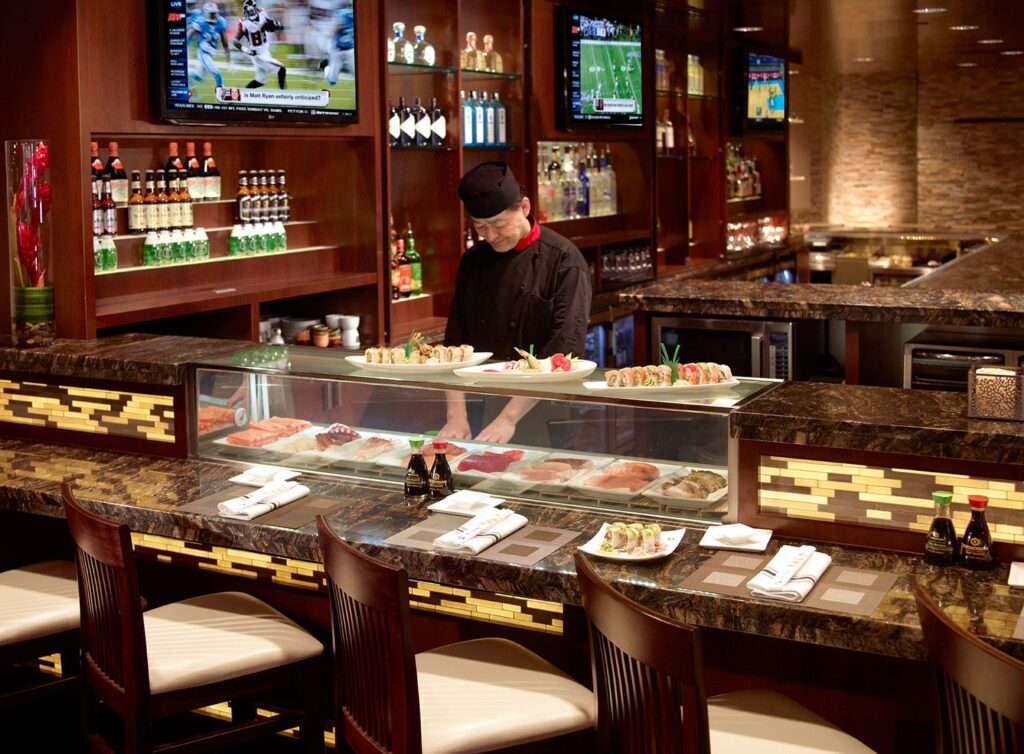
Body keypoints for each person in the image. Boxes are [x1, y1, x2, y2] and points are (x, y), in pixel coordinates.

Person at [441, 161, 592, 443]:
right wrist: (456, 415)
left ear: (524, 207)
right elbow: (454, 344)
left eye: (498, 224)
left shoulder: (564, 260)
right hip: (480, 403)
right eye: (480, 227)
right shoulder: (473, 261)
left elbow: (563, 354)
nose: (490, 236)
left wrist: (508, 419)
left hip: (543, 406)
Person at [233, 0, 287, 90]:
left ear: (255, 9)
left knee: (260, 81)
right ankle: (285, 97)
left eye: (252, 10)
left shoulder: (262, 13)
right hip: (257, 54)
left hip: (265, 51)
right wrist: (247, 51)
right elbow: (235, 41)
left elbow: (269, 23)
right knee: (281, 69)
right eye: (248, 11)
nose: (250, 13)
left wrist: (277, 25)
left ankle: (242, 94)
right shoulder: (244, 23)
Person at [189, 2, 229, 90]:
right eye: (212, 14)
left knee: (199, 77)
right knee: (217, 74)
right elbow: (190, 35)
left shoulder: (221, 22)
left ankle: (185, 73)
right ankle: (221, 97)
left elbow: (225, 42)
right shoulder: (200, 22)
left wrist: (229, 59)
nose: (215, 15)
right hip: (203, 53)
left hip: (210, 54)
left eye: (215, 13)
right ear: (206, 14)